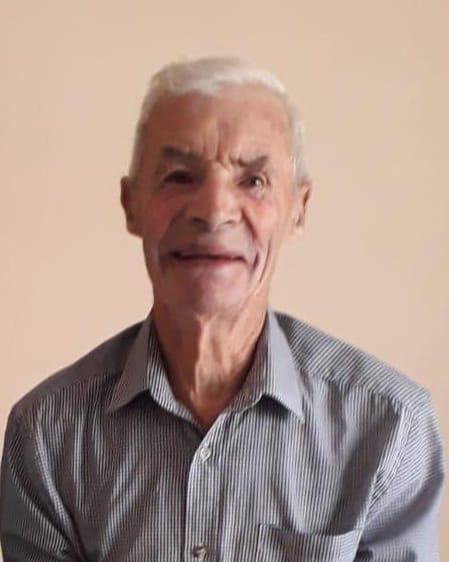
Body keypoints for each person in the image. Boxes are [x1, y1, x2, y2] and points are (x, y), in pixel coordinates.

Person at [0, 56, 446, 561]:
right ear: (131, 204)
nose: (214, 211)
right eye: (179, 176)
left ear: (298, 209)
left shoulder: (389, 427)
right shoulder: (46, 435)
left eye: (253, 181)